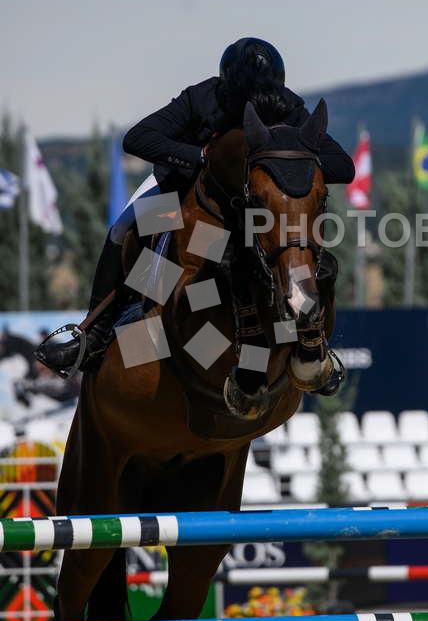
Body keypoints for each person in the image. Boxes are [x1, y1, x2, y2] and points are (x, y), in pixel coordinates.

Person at [37, 38, 355, 390]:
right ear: (228, 88)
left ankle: (312, 344)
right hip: (182, 190)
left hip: (256, 207)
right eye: (247, 95)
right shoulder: (201, 98)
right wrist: (201, 157)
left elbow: (343, 166)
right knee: (122, 230)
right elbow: (137, 139)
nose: (258, 102)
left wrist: (290, 161)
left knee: (297, 254)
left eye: (265, 93)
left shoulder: (287, 106)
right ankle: (94, 333)